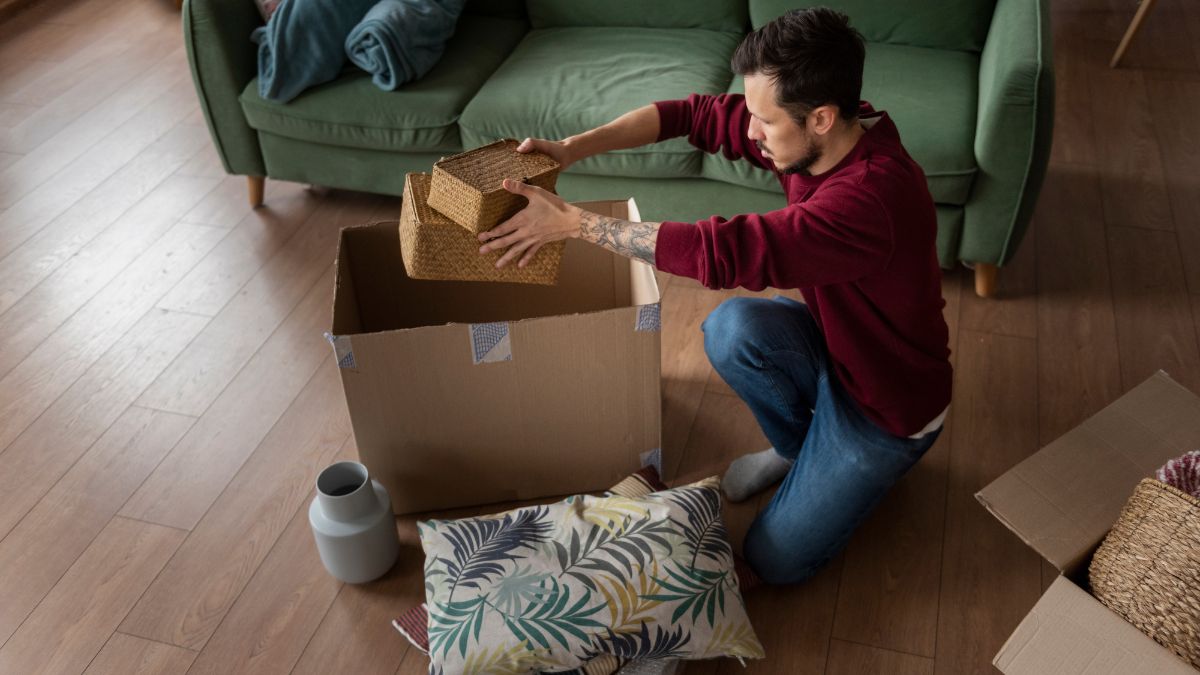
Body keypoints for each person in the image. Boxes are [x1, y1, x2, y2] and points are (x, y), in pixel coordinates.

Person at [477, 7, 952, 585]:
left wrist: (575, 225)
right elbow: (693, 115)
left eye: (764, 121)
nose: (750, 132)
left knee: (773, 562)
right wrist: (573, 148)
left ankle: (855, 465)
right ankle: (800, 445)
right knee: (733, 330)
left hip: (885, 407)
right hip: (837, 348)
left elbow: (725, 251)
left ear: (822, 118)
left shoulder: (869, 198)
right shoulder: (819, 139)